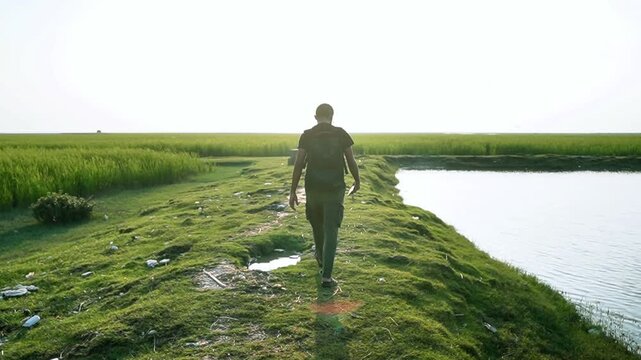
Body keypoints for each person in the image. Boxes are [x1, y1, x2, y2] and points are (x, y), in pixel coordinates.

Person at [289, 103, 361, 287]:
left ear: (315, 117)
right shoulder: (341, 134)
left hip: (313, 187)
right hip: (335, 188)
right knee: (331, 230)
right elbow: (351, 161)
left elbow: (298, 164)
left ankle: (320, 259)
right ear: (332, 116)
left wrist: (292, 191)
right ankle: (327, 277)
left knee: (317, 226)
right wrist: (357, 181)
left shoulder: (307, 135)